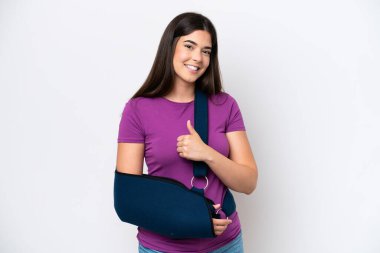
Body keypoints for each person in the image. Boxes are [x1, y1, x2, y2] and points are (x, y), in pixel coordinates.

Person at [116, 12, 258, 253]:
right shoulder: (138, 109)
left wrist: (207, 154)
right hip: (162, 248)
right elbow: (127, 200)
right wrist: (193, 221)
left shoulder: (225, 105)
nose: (198, 58)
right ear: (170, 47)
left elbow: (248, 182)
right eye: (189, 46)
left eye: (206, 51)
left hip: (224, 246)